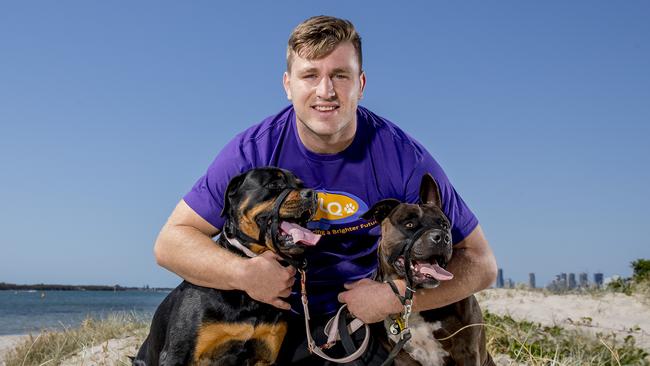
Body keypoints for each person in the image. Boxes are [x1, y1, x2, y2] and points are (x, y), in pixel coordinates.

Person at [154, 15, 497, 365]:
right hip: (274, 316)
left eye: (340, 75)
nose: (325, 91)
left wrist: (394, 297)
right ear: (288, 85)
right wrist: (243, 273)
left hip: (357, 317)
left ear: (361, 83)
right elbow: (171, 243)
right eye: (310, 76)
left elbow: (482, 264)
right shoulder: (252, 152)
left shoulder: (404, 158)